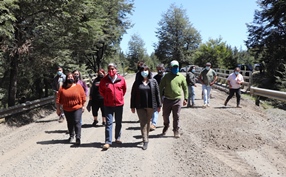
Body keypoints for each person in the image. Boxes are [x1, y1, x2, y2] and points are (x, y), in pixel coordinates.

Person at [130, 65, 162, 150]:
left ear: (149, 71)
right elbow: (133, 95)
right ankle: (145, 140)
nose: (144, 72)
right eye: (143, 70)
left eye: (146, 70)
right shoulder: (137, 82)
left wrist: (159, 105)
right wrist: (132, 106)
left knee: (148, 122)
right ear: (140, 72)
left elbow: (157, 94)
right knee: (143, 122)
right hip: (140, 106)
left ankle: (146, 136)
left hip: (151, 106)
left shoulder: (153, 81)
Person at [99, 63, 127, 150]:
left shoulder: (121, 79)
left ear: (116, 69)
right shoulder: (104, 80)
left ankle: (117, 138)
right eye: (109, 69)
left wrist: (119, 97)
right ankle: (108, 141)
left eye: (113, 69)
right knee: (109, 123)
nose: (111, 71)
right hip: (108, 105)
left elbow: (124, 90)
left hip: (119, 104)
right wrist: (107, 97)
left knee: (118, 122)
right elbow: (101, 91)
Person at [159, 60, 188, 138]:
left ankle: (176, 130)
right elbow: (161, 87)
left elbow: (185, 88)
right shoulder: (166, 76)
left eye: (177, 67)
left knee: (176, 116)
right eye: (174, 67)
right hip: (167, 100)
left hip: (177, 100)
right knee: (165, 115)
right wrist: (160, 97)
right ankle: (166, 125)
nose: (176, 68)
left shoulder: (181, 77)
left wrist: (186, 98)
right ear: (171, 68)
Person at [56, 72, 86, 145]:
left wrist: (83, 105)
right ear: (66, 78)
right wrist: (58, 109)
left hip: (77, 107)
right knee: (70, 123)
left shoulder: (78, 87)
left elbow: (83, 97)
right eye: (69, 77)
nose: (70, 78)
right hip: (67, 108)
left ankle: (78, 138)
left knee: (77, 122)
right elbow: (58, 99)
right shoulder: (62, 88)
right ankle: (71, 136)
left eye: (72, 77)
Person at [150, 63, 165, 131]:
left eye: (161, 69)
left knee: (165, 110)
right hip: (157, 96)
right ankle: (153, 124)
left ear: (163, 69)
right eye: (158, 69)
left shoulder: (166, 77)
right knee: (155, 110)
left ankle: (166, 122)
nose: (159, 70)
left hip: (166, 95)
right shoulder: (154, 78)